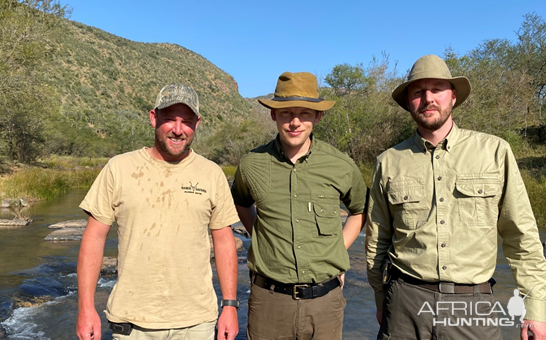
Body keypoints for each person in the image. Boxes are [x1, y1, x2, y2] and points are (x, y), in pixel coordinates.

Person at [365, 54, 546, 340]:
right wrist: (380, 299)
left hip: (474, 306)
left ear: (453, 96)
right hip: (404, 305)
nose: (428, 98)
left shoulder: (495, 152)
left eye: (437, 88)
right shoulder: (387, 162)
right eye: (418, 92)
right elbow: (377, 240)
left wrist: (535, 308)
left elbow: (521, 236)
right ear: (409, 102)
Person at [76, 84, 240, 340]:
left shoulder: (212, 174)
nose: (177, 129)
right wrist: (86, 308)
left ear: (197, 123)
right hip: (133, 323)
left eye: (186, 121)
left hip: (197, 323)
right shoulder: (118, 168)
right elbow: (94, 238)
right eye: (169, 119)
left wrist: (230, 306)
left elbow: (224, 240)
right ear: (153, 118)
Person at [231, 71, 368, 340]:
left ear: (318, 116)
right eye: (286, 113)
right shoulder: (251, 164)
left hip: (325, 302)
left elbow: (360, 209)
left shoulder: (340, 164)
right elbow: (241, 203)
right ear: (273, 115)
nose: (295, 122)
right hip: (268, 302)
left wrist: (337, 249)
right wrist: (259, 235)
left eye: (305, 113)